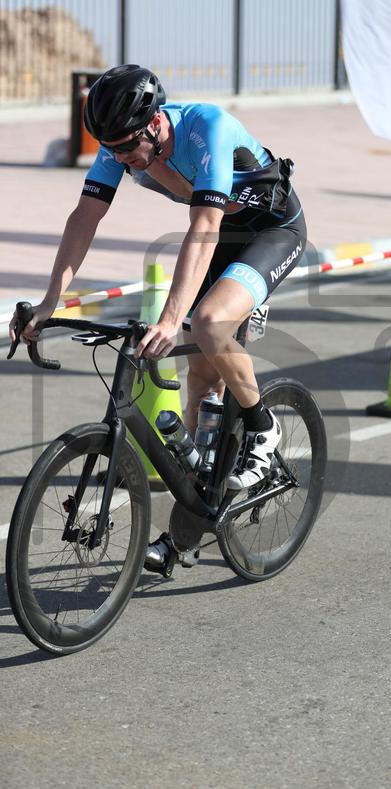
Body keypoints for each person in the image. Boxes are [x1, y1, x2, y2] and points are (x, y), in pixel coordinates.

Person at [9, 64, 307, 568]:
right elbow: (85, 217)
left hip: (271, 232)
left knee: (208, 323)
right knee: (202, 385)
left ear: (154, 123)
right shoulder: (119, 144)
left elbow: (204, 226)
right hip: (220, 236)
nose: (121, 158)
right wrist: (49, 302)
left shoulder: (207, 127)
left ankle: (263, 426)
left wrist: (171, 320)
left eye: (128, 147)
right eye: (112, 149)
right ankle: (186, 534)